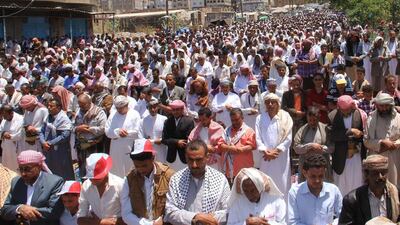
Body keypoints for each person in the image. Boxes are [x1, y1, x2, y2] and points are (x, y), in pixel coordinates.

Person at [164, 140, 230, 225]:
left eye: (199, 160)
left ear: (207, 157)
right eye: (190, 160)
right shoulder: (176, 179)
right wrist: (194, 218)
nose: (194, 165)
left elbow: (228, 211)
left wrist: (207, 220)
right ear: (186, 157)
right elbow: (169, 211)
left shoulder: (220, 179)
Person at [1, 150, 64, 225]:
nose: (23, 173)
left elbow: (54, 211)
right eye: (21, 169)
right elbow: (5, 210)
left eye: (28, 169)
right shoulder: (16, 182)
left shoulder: (54, 182)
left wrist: (26, 212)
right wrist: (20, 208)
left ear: (39, 166)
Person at [120, 139, 175, 225]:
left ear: (153, 158)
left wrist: (162, 220)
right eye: (137, 166)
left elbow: (174, 207)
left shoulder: (169, 176)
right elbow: (126, 213)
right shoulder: (129, 179)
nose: (141, 169)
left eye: (144, 165)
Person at [339, 155, 400, 225]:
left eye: (383, 173)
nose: (380, 177)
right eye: (375, 173)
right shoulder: (352, 199)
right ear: (366, 174)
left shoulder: (396, 194)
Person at [256, 93, 293, 200]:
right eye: (267, 102)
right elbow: (258, 137)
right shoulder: (260, 118)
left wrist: (276, 151)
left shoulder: (285, 117)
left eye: (273, 102)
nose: (270, 104)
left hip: (280, 157)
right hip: (265, 157)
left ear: (278, 104)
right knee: (266, 183)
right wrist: (265, 151)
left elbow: (288, 138)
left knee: (282, 184)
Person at [288, 153, 342, 225]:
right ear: (304, 173)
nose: (317, 180)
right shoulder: (294, 192)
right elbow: (292, 222)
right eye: (313, 176)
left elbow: (342, 216)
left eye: (320, 176)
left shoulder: (334, 190)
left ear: (325, 172)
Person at [327, 95, 364, 195]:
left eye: (348, 109)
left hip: (355, 156)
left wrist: (359, 134)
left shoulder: (358, 114)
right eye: (343, 110)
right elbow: (332, 135)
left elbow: (364, 133)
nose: (346, 112)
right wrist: (350, 131)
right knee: (341, 185)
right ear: (338, 107)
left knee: (357, 183)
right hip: (341, 157)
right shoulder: (332, 116)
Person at [77, 153, 125, 225]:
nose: (93, 180)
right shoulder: (86, 186)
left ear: (106, 172)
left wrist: (98, 222)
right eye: (90, 178)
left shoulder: (121, 185)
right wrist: (102, 222)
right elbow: (80, 219)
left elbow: (129, 217)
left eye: (97, 178)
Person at [364, 93, 400, 186]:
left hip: (394, 157)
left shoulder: (398, 117)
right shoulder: (371, 118)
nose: (384, 108)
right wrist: (382, 142)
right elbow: (366, 141)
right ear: (376, 105)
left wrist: (396, 144)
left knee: (393, 186)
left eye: (386, 105)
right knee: (377, 185)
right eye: (381, 106)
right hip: (377, 157)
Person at [105, 95, 140, 177]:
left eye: (121, 107)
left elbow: (138, 131)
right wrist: (116, 132)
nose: (119, 110)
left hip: (129, 146)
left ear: (126, 105)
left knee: (130, 170)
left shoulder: (135, 114)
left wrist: (127, 133)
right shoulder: (113, 115)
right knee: (116, 170)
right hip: (116, 148)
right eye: (117, 108)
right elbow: (107, 131)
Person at [39, 98, 74, 180]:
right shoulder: (48, 117)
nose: (49, 108)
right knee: (49, 170)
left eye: (51, 106)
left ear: (58, 108)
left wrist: (50, 143)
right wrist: (43, 142)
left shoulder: (64, 119)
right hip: (47, 150)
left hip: (60, 151)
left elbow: (65, 136)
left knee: (62, 171)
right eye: (48, 106)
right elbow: (41, 131)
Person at [293, 107, 331, 182]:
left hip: (322, 164)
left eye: (314, 120)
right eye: (310, 120)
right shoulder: (302, 130)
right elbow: (296, 147)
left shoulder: (325, 129)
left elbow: (332, 147)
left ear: (318, 118)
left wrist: (320, 148)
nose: (312, 122)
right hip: (306, 165)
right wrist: (309, 146)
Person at [74, 93, 107, 177]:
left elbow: (103, 128)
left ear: (89, 102)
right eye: (80, 105)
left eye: (83, 105)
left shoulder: (99, 112)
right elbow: (72, 126)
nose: (81, 108)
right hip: (81, 146)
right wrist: (78, 128)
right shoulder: (79, 111)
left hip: (94, 146)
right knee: (83, 169)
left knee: (95, 168)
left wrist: (89, 129)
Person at [220, 108, 257, 182]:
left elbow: (251, 146)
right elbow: (221, 145)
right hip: (230, 171)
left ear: (242, 118)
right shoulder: (227, 130)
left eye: (237, 120)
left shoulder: (249, 131)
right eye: (232, 120)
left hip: (245, 170)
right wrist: (236, 149)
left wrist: (240, 150)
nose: (234, 122)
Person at [161, 100, 195, 171]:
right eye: (173, 110)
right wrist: (177, 142)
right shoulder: (168, 122)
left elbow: (190, 139)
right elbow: (164, 140)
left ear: (182, 109)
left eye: (177, 110)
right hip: (171, 156)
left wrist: (180, 142)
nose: (175, 112)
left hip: (184, 156)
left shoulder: (189, 121)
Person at [138, 98, 168, 164]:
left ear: (158, 107)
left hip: (162, 150)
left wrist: (161, 140)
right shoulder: (142, 121)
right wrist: (153, 141)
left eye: (154, 107)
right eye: (150, 108)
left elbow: (167, 136)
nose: (153, 110)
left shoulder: (164, 119)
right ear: (147, 108)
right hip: (148, 150)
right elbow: (140, 138)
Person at [0, 105, 24, 172]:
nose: (3, 118)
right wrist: (3, 133)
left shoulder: (20, 119)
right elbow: (1, 130)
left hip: (16, 147)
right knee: (7, 167)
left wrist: (11, 137)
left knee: (16, 167)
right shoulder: (5, 119)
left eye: (5, 115)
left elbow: (21, 134)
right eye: (2, 115)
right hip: (6, 148)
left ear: (11, 113)